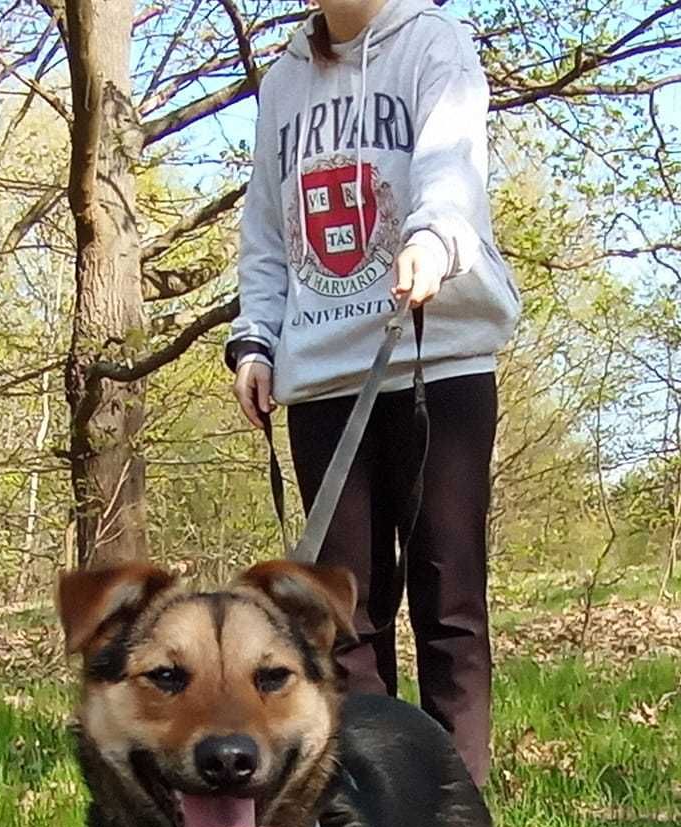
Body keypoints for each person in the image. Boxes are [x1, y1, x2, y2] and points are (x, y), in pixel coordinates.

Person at [225, 0, 520, 787]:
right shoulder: (286, 77)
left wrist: (433, 237)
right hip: (324, 372)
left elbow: (449, 170)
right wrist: (256, 340)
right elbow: (266, 230)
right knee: (340, 622)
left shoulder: (433, 45)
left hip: (436, 353)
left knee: (447, 597)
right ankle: (375, 810)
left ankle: (457, 815)